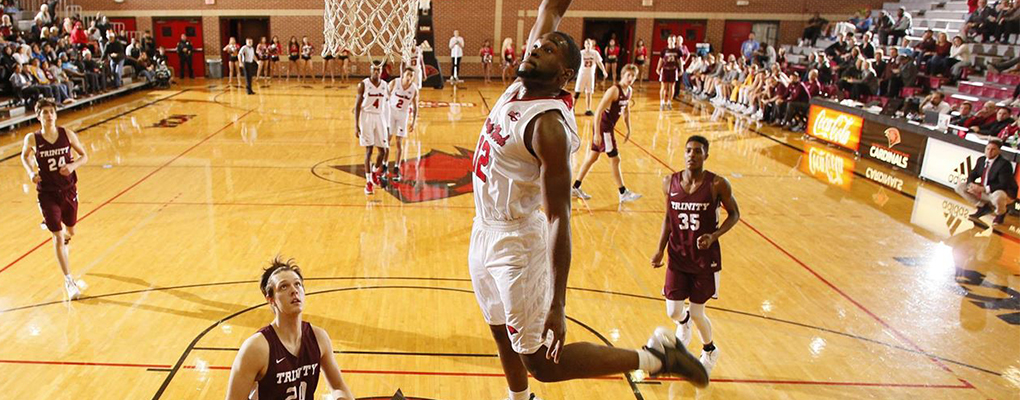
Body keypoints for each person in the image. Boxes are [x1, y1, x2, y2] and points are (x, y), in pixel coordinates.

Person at [470, 2, 709, 400]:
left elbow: (559, 218)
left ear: (565, 75)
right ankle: (519, 399)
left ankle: (655, 357)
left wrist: (558, 304)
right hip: (484, 231)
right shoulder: (522, 83)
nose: (535, 48)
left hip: (517, 246)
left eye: (547, 50)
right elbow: (551, 8)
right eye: (537, 45)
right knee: (499, 332)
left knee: (541, 363)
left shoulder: (548, 125)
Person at [650, 135, 740, 377]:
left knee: (699, 312)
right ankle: (684, 321)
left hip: (703, 259)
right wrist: (659, 249)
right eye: (688, 150)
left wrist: (714, 235)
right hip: (677, 255)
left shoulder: (717, 184)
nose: (692, 155)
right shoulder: (669, 182)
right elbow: (668, 219)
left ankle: (710, 350)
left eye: (698, 151)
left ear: (706, 156)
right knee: (673, 312)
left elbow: (734, 214)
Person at [224, 257, 355, 400]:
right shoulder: (256, 348)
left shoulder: (319, 338)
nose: (294, 290)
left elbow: (338, 387)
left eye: (298, 284)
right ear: (271, 300)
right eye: (284, 287)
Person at [19, 99, 89, 301]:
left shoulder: (67, 134)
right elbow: (24, 157)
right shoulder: (32, 138)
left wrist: (72, 166)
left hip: (68, 190)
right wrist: (31, 172)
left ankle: (65, 238)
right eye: (44, 112)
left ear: (56, 115)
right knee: (57, 236)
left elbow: (84, 156)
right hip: (47, 192)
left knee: (71, 230)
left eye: (51, 112)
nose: (48, 115)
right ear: (38, 116)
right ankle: (69, 280)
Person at [571, 64, 641, 203]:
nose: (630, 78)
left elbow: (626, 111)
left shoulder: (629, 91)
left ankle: (575, 187)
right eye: (628, 75)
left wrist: (628, 128)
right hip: (604, 128)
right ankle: (623, 192)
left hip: (608, 128)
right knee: (615, 159)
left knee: (592, 157)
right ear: (622, 75)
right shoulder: (614, 90)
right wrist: (597, 133)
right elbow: (598, 112)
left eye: (633, 76)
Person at [956, 139, 1018, 226]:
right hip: (985, 190)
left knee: (998, 196)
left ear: (999, 151)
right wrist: (971, 184)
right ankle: (983, 207)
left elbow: (1004, 184)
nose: (989, 152)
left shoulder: (1004, 164)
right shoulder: (981, 160)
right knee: (960, 187)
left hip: (1003, 192)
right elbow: (973, 174)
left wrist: (984, 188)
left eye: (993, 149)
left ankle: (1001, 213)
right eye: (988, 149)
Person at [354, 61, 389, 195]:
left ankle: (374, 171)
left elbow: (386, 105)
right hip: (366, 117)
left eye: (378, 70)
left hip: (379, 117)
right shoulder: (363, 85)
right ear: (370, 70)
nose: (376, 72)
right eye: (374, 69)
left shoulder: (385, 86)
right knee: (369, 150)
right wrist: (356, 125)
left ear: (381, 71)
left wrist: (387, 122)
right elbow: (357, 105)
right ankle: (368, 182)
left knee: (383, 151)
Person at [386, 67, 419, 181]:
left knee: (399, 142)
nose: (410, 77)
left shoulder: (414, 89)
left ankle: (396, 167)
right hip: (391, 112)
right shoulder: (394, 82)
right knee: (387, 139)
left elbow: (415, 107)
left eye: (412, 75)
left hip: (403, 115)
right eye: (408, 74)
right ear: (403, 75)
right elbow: (385, 96)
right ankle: (384, 165)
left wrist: (413, 122)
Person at [574, 39, 607, 116]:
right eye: (586, 44)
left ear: (592, 45)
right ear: (584, 45)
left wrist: (604, 71)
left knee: (589, 92)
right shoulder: (581, 53)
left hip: (590, 75)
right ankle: (572, 107)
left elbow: (599, 62)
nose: (588, 46)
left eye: (589, 44)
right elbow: (576, 63)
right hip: (582, 75)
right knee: (577, 92)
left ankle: (588, 109)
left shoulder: (595, 53)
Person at [657, 36, 681, 110]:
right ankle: (662, 102)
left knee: (671, 87)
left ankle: (669, 102)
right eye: (670, 40)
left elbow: (679, 61)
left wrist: (681, 69)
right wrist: (658, 68)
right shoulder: (664, 50)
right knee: (663, 87)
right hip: (665, 69)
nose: (671, 41)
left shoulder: (678, 51)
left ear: (675, 41)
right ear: (667, 41)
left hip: (673, 70)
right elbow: (660, 60)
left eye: (672, 40)